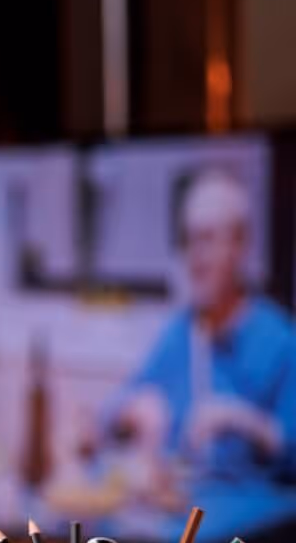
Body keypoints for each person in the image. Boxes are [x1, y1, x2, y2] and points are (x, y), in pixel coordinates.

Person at [104, 167, 296, 483]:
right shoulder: (181, 334)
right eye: (188, 241)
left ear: (240, 244)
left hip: (253, 513)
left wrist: (249, 424)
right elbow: (113, 410)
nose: (195, 257)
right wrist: (130, 413)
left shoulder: (282, 342)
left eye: (207, 239)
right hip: (185, 509)